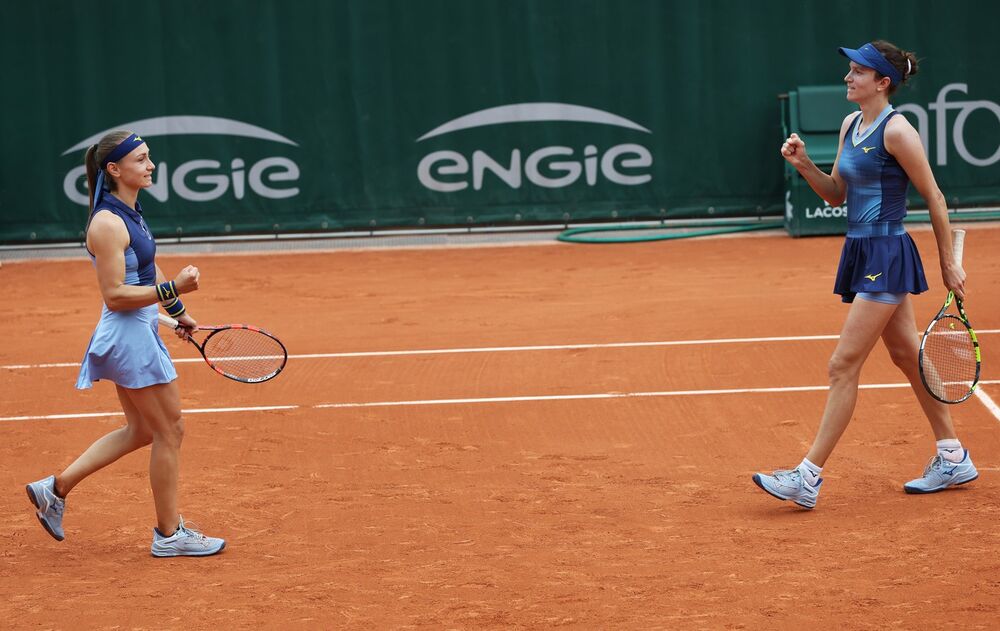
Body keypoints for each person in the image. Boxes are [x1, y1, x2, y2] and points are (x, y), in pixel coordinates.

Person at [753, 41, 977, 509]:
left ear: (883, 82)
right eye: (849, 70)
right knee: (904, 353)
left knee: (842, 364)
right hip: (859, 249)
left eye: (858, 72)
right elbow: (836, 193)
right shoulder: (851, 124)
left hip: (887, 254)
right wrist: (803, 164)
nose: (847, 78)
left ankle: (807, 476)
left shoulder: (898, 131)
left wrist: (947, 262)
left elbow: (934, 196)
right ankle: (953, 455)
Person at [25, 130, 226, 555]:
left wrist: (174, 312)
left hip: (139, 327)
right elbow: (115, 294)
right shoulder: (107, 223)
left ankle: (55, 489)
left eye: (149, 157)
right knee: (170, 430)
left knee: (141, 431)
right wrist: (175, 287)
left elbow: (143, 276)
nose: (150, 165)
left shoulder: (130, 212)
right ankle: (169, 535)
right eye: (141, 159)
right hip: (127, 335)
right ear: (114, 169)